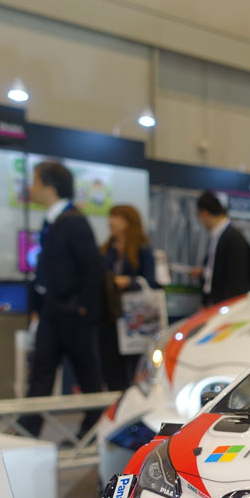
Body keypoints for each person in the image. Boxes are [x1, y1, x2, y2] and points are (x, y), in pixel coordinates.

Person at [19, 161, 106, 438]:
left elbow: (93, 269)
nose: (31, 188)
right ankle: (28, 430)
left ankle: (94, 430)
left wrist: (82, 309)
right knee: (41, 372)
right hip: (52, 312)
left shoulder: (74, 222)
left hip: (72, 314)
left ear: (50, 186)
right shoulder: (52, 221)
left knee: (87, 373)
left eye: (35, 181)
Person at [99, 204, 159, 391]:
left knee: (134, 365)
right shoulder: (106, 250)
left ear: (128, 221)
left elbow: (151, 281)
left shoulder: (142, 249)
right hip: (110, 316)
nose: (111, 221)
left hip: (134, 316)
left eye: (116, 217)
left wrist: (130, 281)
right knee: (110, 366)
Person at [193, 191, 250, 305]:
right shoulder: (217, 235)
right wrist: (204, 271)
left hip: (225, 305)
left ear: (204, 213)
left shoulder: (232, 237)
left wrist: (227, 309)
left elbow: (236, 280)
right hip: (215, 302)